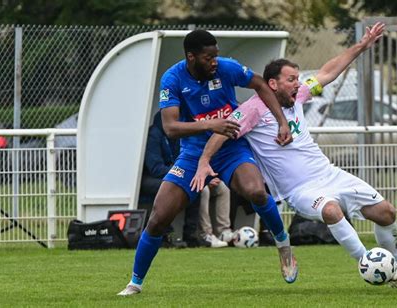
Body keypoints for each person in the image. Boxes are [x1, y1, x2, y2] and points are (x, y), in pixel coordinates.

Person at [191, 22, 397, 291]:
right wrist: (204, 161)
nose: (298, 84)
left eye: (298, 78)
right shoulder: (253, 110)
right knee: (331, 210)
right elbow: (223, 131)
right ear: (272, 84)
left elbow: (327, 72)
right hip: (300, 190)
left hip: (330, 174)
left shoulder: (297, 97)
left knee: (386, 212)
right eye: (291, 79)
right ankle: (369, 264)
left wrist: (361, 46)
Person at [118, 29, 297, 296]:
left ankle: (283, 245)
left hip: (230, 147)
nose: (215, 62)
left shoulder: (227, 68)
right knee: (158, 218)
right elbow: (170, 127)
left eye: (216, 55)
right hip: (192, 154)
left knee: (256, 191)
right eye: (209, 57)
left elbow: (260, 85)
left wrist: (282, 122)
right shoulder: (173, 78)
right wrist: (210, 123)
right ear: (191, 57)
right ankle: (135, 282)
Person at [139, 111, 200, 248]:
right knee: (168, 190)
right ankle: (166, 234)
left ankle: (191, 235)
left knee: (196, 187)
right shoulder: (153, 135)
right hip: (148, 178)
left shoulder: (177, 136)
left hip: (170, 174)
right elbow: (155, 168)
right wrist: (178, 174)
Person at [198, 177, 233, 248]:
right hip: (187, 178)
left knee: (223, 187)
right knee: (204, 190)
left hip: (204, 177)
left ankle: (222, 231)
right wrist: (206, 180)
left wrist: (216, 178)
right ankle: (206, 234)